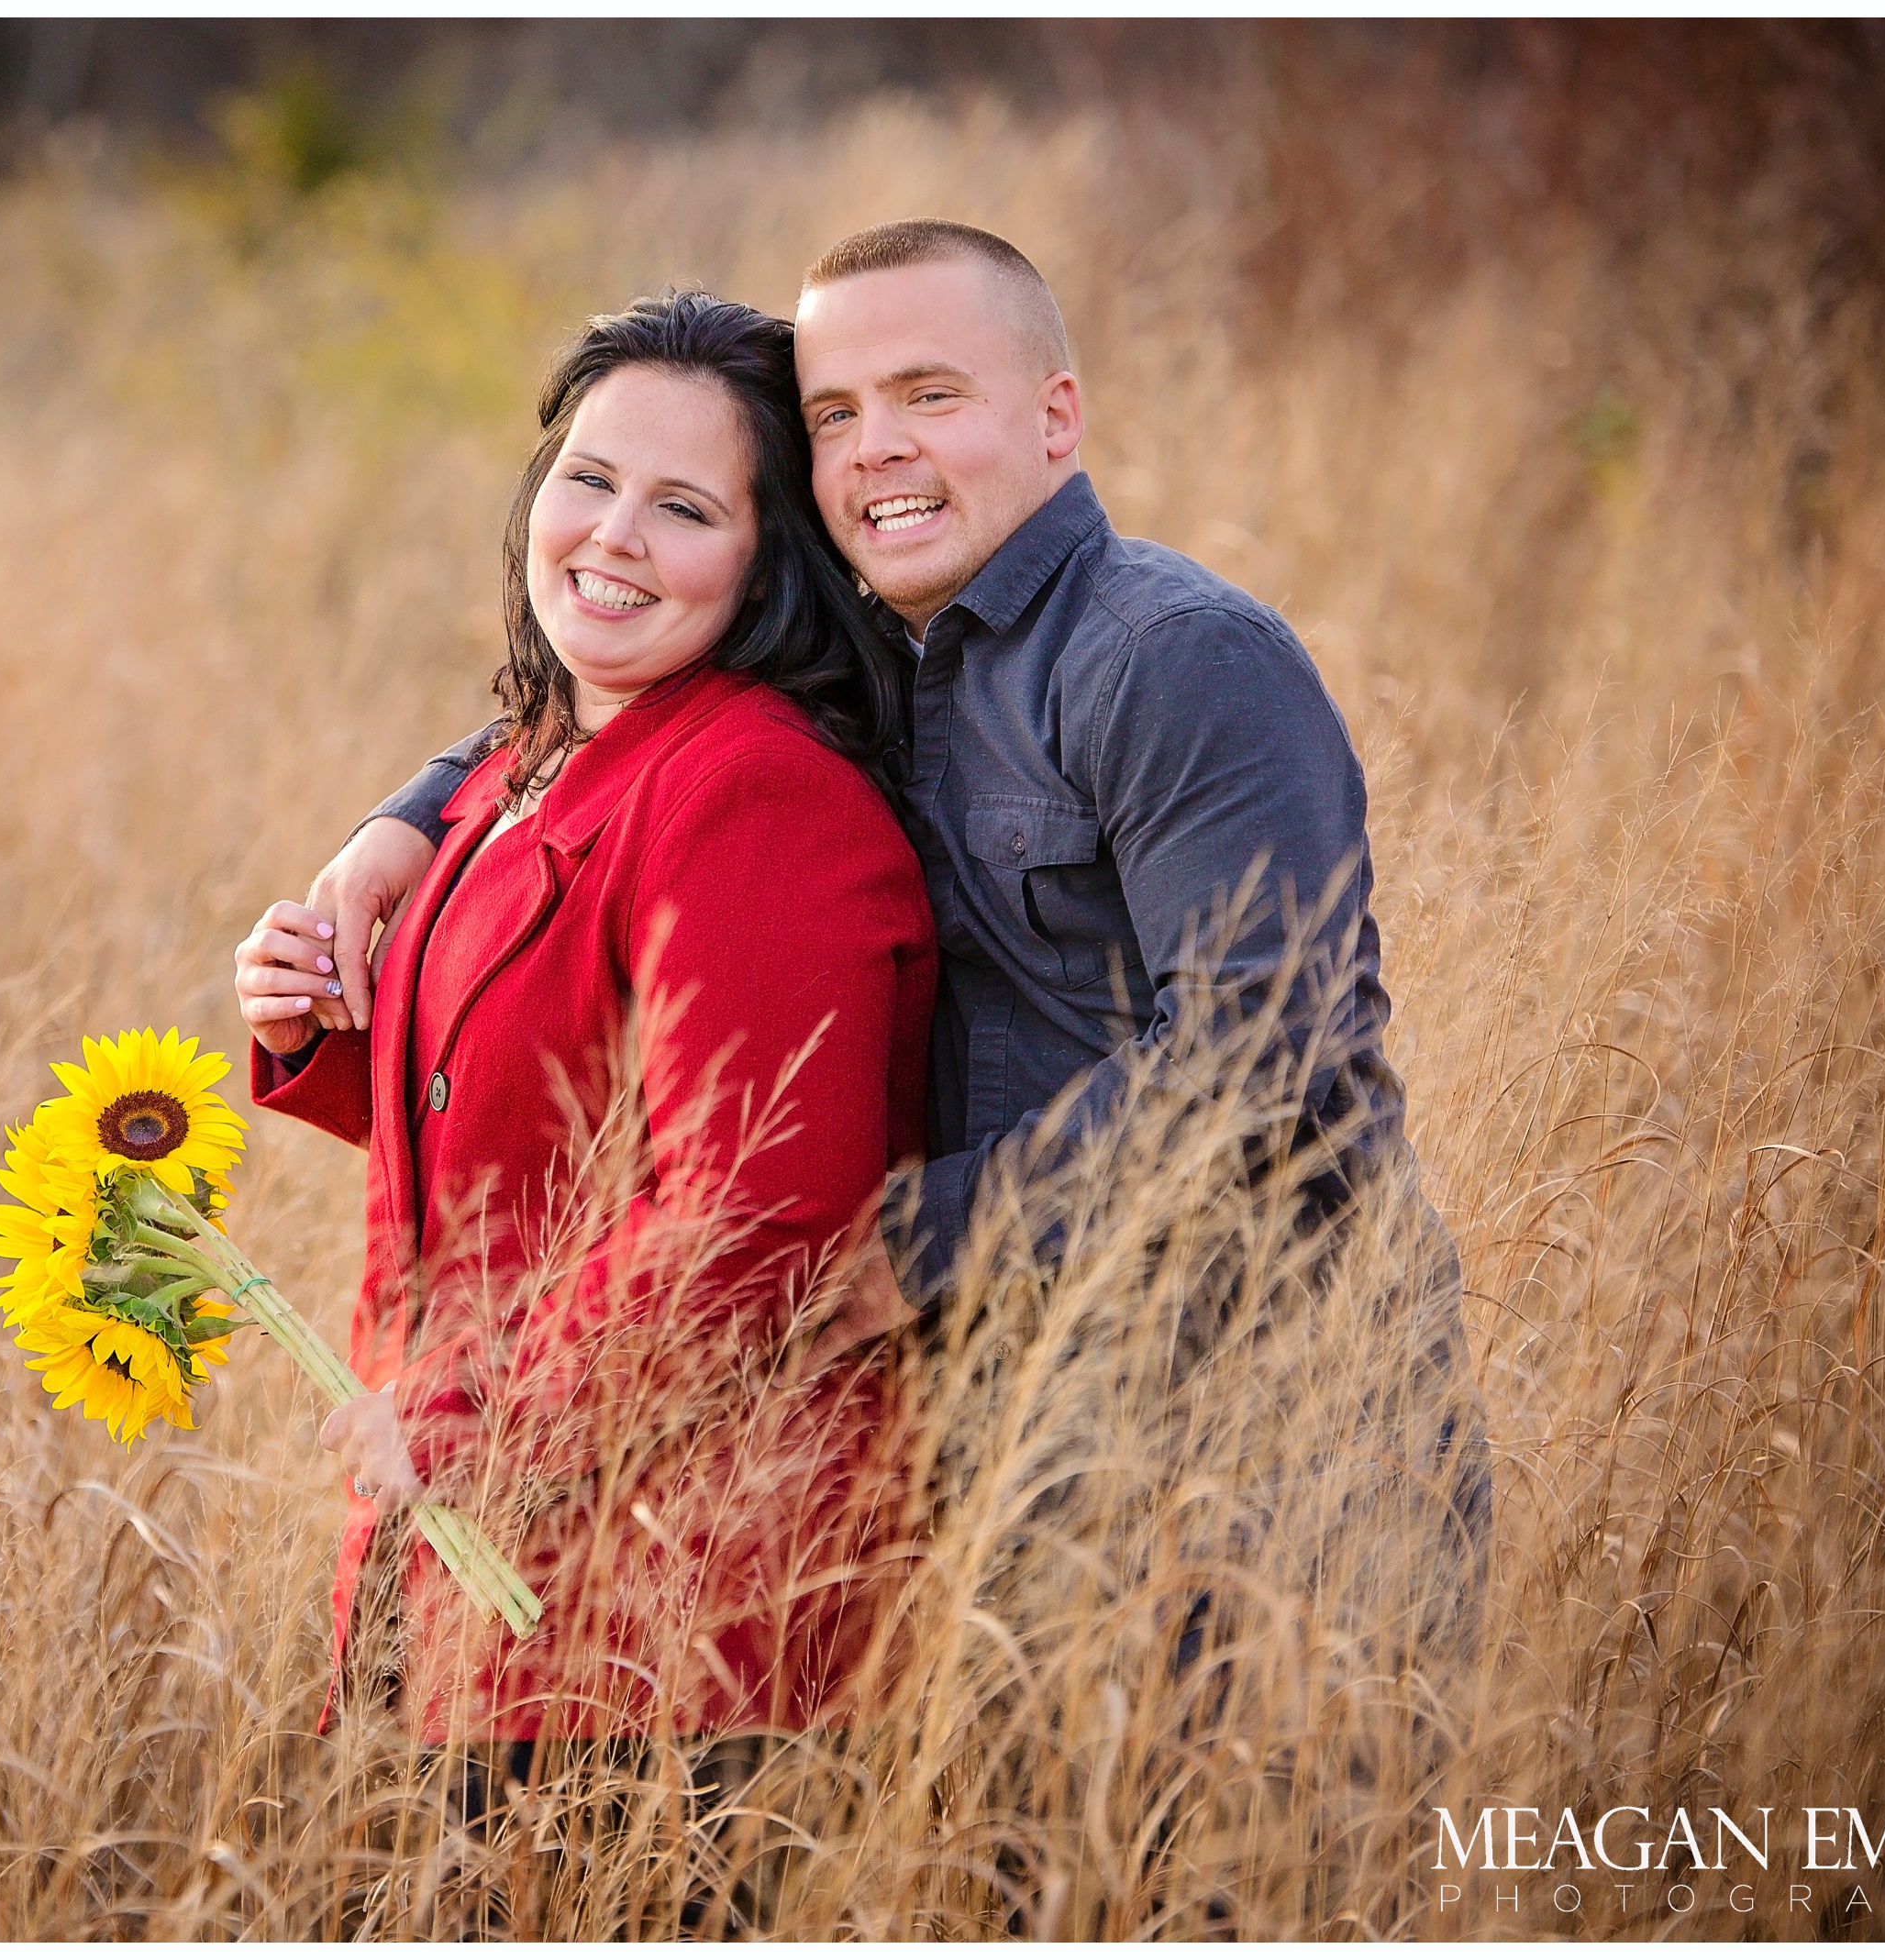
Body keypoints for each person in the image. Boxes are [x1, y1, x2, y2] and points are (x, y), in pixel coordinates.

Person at [301, 221, 1491, 1669]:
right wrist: (413, 816)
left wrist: (905, 1240)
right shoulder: (880, 643)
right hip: (1003, 1436)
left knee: (1254, 1879)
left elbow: (1264, 1054)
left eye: (932, 396)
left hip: (1266, 1421)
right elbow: (622, 657)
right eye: (835, 415)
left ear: (1057, 415)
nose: (878, 449)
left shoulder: (1175, 659)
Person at [231, 290, 937, 1821]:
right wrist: (320, 1010)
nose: (611, 536)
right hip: (482, 1579)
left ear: (767, 561)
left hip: (669, 1625)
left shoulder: (758, 797)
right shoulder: (532, 761)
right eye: (588, 478)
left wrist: (472, 1418)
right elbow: (546, 1113)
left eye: (684, 506)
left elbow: (753, 1211)